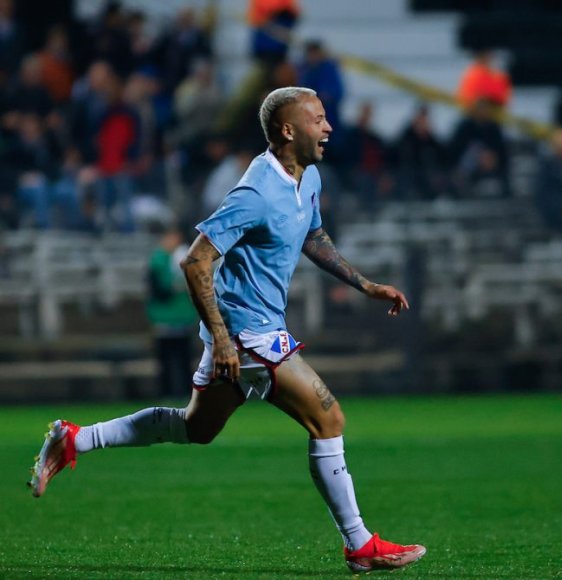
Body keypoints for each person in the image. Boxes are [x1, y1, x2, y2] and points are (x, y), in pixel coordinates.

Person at [28, 87, 426, 573]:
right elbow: (195, 262)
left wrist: (365, 285)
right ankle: (360, 544)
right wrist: (221, 338)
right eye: (318, 120)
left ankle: (75, 438)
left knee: (196, 428)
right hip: (248, 333)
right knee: (330, 419)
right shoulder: (255, 192)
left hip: (249, 332)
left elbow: (314, 235)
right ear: (287, 130)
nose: (328, 128)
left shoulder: (310, 176)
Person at [147, 226, 199, 398]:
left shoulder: (182, 256)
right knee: (166, 360)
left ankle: (186, 392)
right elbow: (159, 290)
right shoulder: (158, 260)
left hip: (182, 317)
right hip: (164, 317)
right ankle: (166, 392)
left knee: (184, 359)